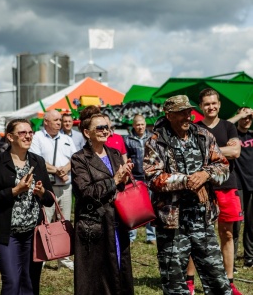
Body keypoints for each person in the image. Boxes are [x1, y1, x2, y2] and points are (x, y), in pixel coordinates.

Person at [143, 95, 232, 294]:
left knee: (217, 277)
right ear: (169, 115)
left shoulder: (203, 136)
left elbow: (223, 167)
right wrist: (187, 181)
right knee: (174, 281)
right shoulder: (156, 141)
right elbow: (153, 177)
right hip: (172, 223)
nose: (187, 116)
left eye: (188, 111)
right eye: (181, 112)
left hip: (202, 219)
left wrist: (205, 174)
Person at [0, 118, 54, 295]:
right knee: (12, 282)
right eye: (23, 133)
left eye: (30, 132)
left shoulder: (38, 161)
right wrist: (15, 190)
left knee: (30, 282)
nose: (28, 136)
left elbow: (50, 199)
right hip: (7, 233)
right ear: (10, 137)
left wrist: (41, 192)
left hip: (33, 233)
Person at [71, 112, 134, 295]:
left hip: (117, 221)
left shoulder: (114, 154)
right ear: (86, 132)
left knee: (119, 270)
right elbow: (85, 192)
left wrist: (125, 179)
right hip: (94, 225)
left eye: (107, 127)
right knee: (96, 277)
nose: (105, 130)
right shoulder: (79, 158)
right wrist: (114, 180)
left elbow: (121, 186)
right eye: (99, 127)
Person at [196, 88, 243, 295]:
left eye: (214, 103)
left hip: (226, 186)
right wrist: (221, 150)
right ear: (201, 107)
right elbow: (192, 153)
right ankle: (190, 282)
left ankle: (229, 281)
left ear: (219, 104)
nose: (211, 107)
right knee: (196, 235)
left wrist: (206, 151)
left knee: (227, 234)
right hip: (201, 188)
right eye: (207, 104)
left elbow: (235, 152)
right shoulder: (194, 128)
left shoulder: (228, 126)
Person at [30, 110, 76, 270]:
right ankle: (43, 255)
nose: (59, 123)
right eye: (56, 120)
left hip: (65, 187)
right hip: (46, 188)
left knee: (64, 222)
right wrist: (57, 171)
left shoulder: (67, 139)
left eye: (60, 120)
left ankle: (64, 257)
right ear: (46, 122)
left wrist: (65, 169)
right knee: (45, 221)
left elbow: (74, 159)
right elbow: (37, 161)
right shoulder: (37, 138)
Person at [124, 114, 156, 245]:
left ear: (145, 124)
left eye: (142, 124)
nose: (140, 127)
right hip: (135, 177)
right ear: (133, 125)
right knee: (135, 208)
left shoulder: (152, 138)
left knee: (150, 206)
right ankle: (132, 236)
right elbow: (125, 157)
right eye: (137, 124)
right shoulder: (128, 139)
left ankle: (151, 235)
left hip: (149, 176)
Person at [228, 107, 253, 269]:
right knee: (236, 224)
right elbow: (223, 125)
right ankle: (232, 258)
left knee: (251, 224)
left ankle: (249, 258)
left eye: (250, 116)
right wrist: (239, 115)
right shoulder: (232, 134)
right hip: (237, 185)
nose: (247, 119)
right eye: (244, 116)